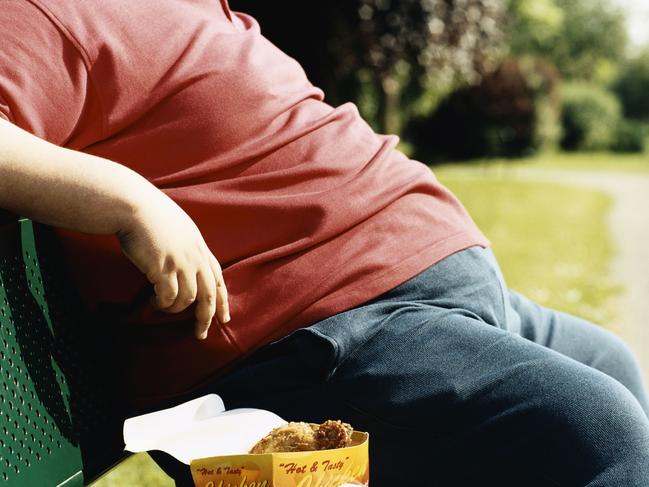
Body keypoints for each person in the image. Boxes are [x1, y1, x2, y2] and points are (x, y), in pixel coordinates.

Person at [1, 0, 648, 485]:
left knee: (609, 363)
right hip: (317, 340)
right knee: (596, 432)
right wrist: (128, 197)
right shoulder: (40, 14)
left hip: (417, 299)